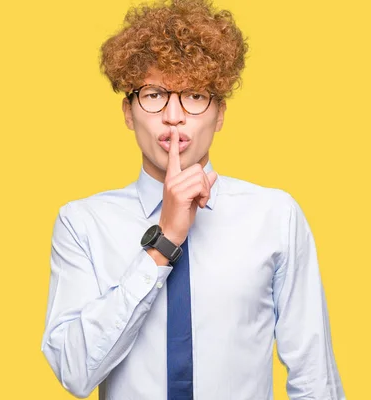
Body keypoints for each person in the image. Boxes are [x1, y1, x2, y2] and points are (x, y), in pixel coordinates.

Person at [40, 0, 345, 398]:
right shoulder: (82, 224)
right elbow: (75, 372)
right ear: (129, 112)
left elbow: (314, 377)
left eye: (195, 95)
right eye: (154, 94)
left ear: (219, 114)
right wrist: (163, 242)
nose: (173, 115)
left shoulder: (275, 216)